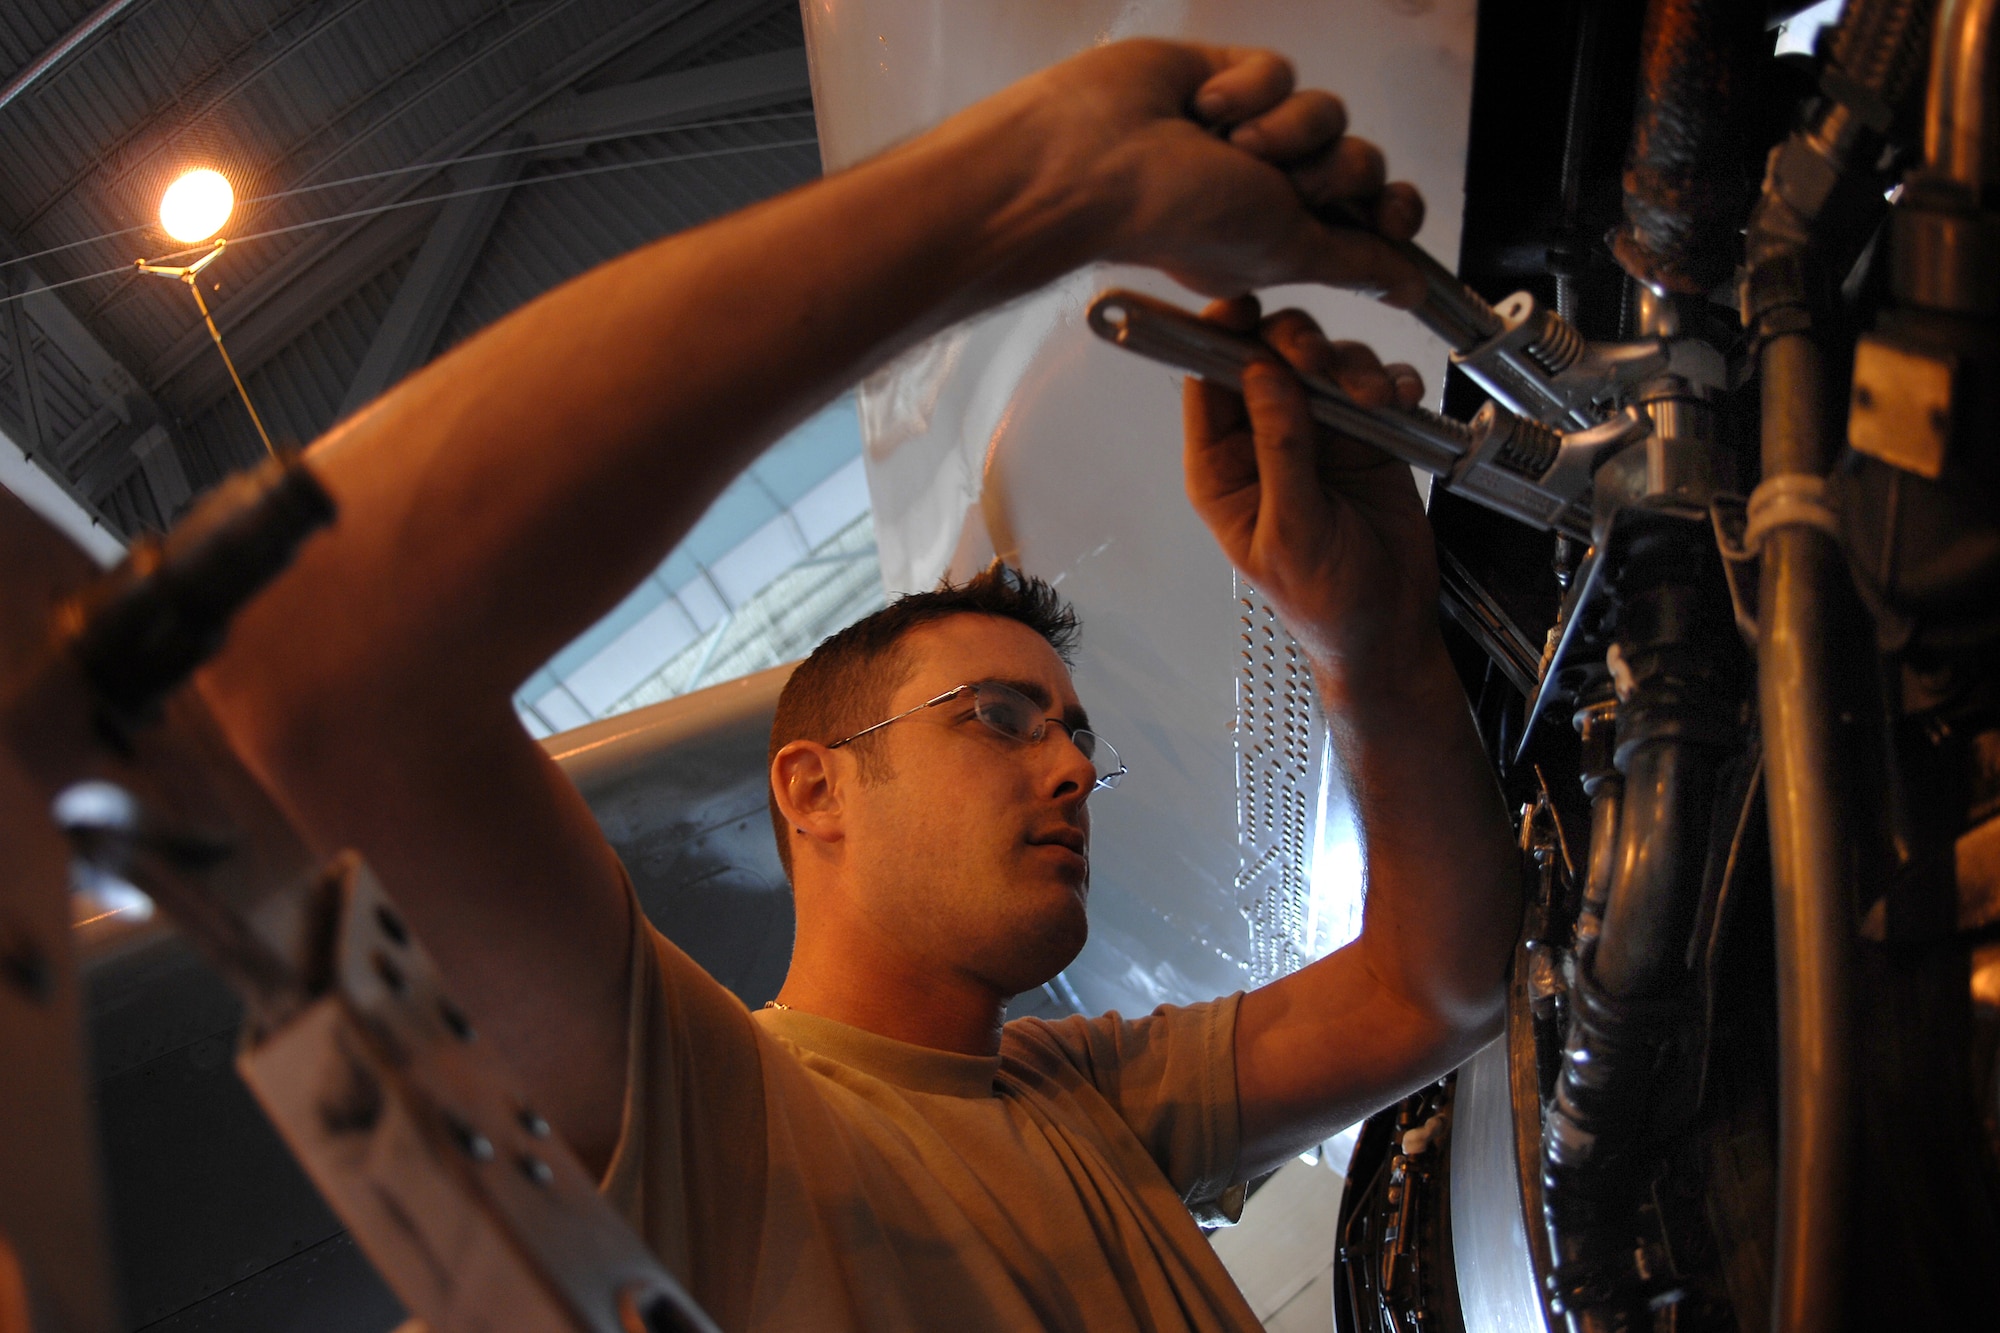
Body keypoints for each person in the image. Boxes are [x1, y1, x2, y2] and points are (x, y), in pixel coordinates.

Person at [200, 37, 1516, 1330]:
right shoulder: (716, 1127)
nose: (1070, 768)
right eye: (998, 718)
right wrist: (1051, 185)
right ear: (814, 787)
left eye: (1072, 731)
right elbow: (310, 658)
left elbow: (1433, 988)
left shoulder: (1077, 1095)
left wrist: (1370, 632)